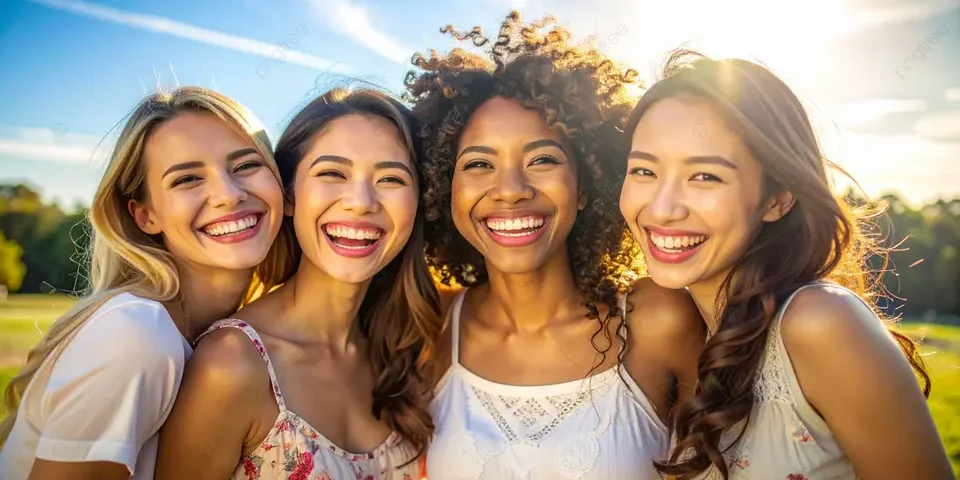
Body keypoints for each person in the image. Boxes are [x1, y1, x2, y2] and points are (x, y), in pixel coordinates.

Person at [619, 50, 954, 479]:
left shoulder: (820, 323)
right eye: (644, 171)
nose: (663, 209)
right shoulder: (670, 338)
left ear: (778, 198)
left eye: (705, 176)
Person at [405, 12, 704, 479]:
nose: (510, 189)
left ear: (585, 186)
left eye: (542, 159)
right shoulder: (432, 328)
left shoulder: (657, 319)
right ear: (446, 189)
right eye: (479, 164)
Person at [0, 86, 291, 480]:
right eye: (187, 179)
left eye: (245, 166)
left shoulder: (225, 334)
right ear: (145, 216)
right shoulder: (137, 334)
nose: (227, 194)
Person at [155, 87, 442, 480]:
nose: (361, 201)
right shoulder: (232, 364)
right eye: (332, 173)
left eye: (391, 178)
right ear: (288, 195)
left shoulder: (406, 350)